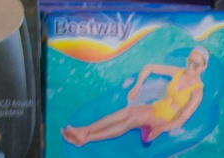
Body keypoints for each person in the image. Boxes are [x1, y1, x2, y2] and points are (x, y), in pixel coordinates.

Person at [60, 47, 212, 147]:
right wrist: (137, 85)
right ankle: (85, 130)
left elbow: (182, 119)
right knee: (126, 113)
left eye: (195, 64)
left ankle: (86, 138)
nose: (190, 67)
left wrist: (160, 128)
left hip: (167, 119)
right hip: (158, 107)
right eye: (189, 61)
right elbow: (149, 67)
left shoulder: (197, 91)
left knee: (131, 121)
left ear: (204, 67)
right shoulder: (179, 72)